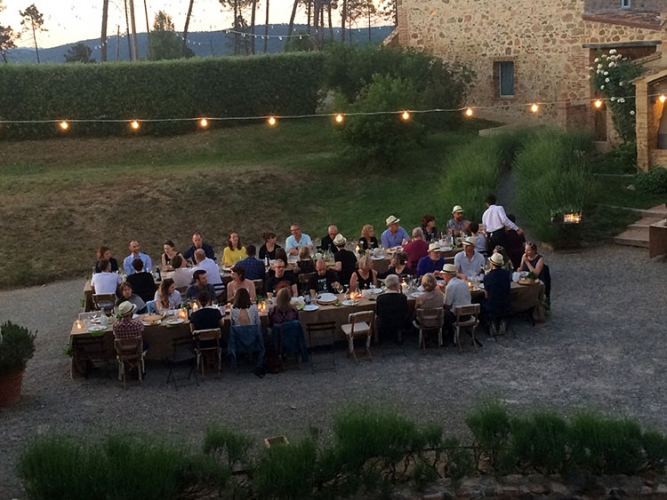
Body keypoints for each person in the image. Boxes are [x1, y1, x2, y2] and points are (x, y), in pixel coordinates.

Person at [481, 252, 512, 333]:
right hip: (506, 304)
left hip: (493, 305)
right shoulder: (507, 274)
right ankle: (502, 321)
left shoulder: (488, 277)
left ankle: (491, 323)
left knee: (481, 302)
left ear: (491, 264)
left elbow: (486, 295)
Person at [442, 263, 472, 342]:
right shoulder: (463, 282)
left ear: (447, 275)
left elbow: (447, 305)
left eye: (443, 275)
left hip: (458, 316)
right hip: (469, 313)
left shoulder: (450, 286)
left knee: (442, 312)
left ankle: (447, 335)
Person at [375, 274, 409, 343]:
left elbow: (377, 312)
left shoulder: (380, 298)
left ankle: (376, 338)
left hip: (384, 322)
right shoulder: (402, 297)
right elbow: (406, 311)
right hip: (400, 322)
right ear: (397, 285)